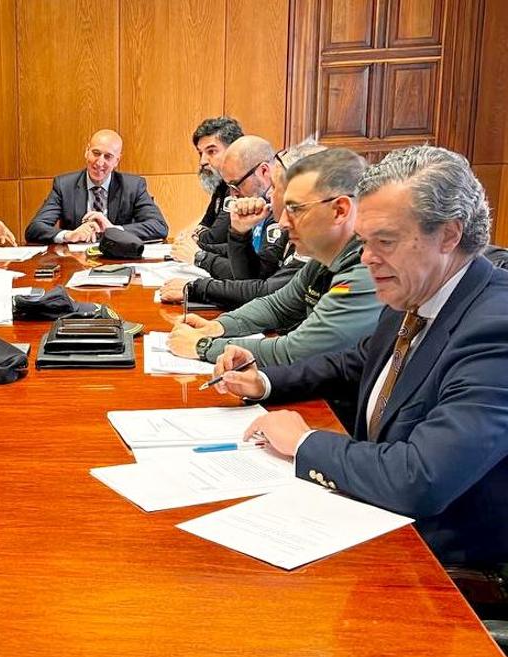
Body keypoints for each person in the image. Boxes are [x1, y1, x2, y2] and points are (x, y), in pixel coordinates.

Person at [211, 145, 508, 574]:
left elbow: (420, 478)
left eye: (384, 241)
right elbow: (354, 363)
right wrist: (266, 382)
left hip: (444, 571)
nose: (367, 258)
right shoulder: (415, 291)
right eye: (364, 241)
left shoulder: (496, 326)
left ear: (449, 234)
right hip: (374, 522)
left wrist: (304, 443)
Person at [168, 148, 381, 374]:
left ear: (339, 210)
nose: (283, 223)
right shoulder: (328, 254)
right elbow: (277, 304)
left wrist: (204, 347)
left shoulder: (367, 266)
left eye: (295, 209)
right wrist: (218, 326)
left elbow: (295, 351)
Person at [24, 129, 169, 244]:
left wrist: (113, 230)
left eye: (108, 157)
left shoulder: (133, 186)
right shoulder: (64, 186)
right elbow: (34, 229)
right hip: (75, 263)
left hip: (119, 261)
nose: (100, 162)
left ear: (117, 160)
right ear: (87, 152)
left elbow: (159, 226)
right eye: (96, 153)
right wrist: (69, 235)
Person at [171, 135, 279, 279]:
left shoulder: (278, 209)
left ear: (264, 171)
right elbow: (244, 260)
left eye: (236, 185)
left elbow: (259, 281)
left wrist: (200, 258)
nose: (233, 195)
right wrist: (198, 246)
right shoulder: (256, 200)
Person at [180, 116, 244, 247]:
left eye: (211, 151)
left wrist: (196, 236)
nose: (203, 161)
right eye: (200, 153)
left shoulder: (240, 187)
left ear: (234, 151)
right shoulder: (221, 186)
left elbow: (215, 238)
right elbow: (205, 224)